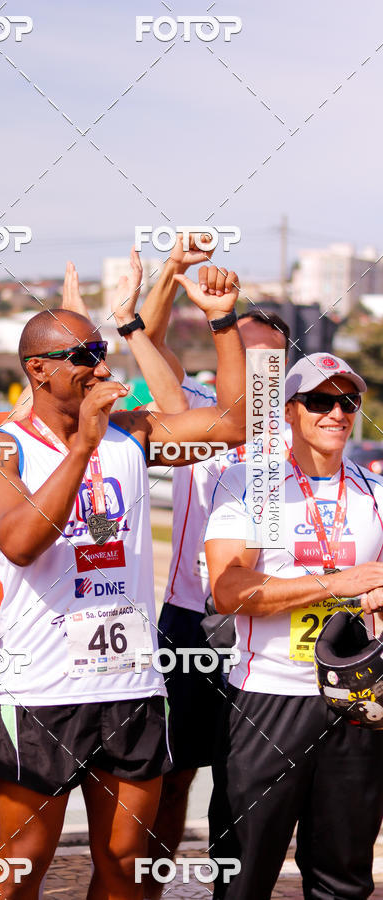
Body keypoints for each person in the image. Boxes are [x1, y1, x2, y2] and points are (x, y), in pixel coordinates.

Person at [0, 260, 246, 899]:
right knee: (20, 868)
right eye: (80, 355)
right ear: (35, 369)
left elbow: (234, 422)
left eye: (100, 350)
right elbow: (20, 541)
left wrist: (221, 318)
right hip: (43, 689)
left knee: (125, 863)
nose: (98, 365)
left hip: (131, 685)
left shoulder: (129, 434)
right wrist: (81, 448)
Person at [138, 236, 291, 898]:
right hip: (190, 623)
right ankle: (146, 886)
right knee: (166, 779)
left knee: (242, 781)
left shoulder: (304, 429)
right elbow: (146, 342)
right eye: (239, 345)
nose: (252, 361)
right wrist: (172, 272)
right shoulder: (201, 416)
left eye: (266, 355)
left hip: (264, 624)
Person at [204, 352, 383, 899]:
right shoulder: (255, 484)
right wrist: (340, 582)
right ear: (289, 410)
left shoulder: (373, 491)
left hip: (354, 702)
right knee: (243, 874)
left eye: (347, 401)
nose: (336, 413)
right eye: (319, 401)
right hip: (269, 698)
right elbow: (230, 590)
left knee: (344, 878)